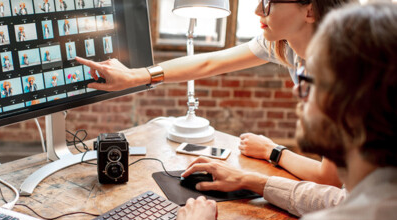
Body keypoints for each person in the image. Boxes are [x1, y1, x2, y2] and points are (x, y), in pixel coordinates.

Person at [153, 3, 397, 220]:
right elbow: (339, 199)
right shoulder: (380, 194)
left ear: (352, 102)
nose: (297, 90)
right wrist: (252, 180)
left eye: (312, 79)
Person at [77, 0, 356, 187]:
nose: (258, 11)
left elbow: (329, 179)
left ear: (310, 11)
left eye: (269, 3)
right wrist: (136, 76)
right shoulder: (286, 46)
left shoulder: (341, 69)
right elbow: (210, 62)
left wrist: (273, 152)